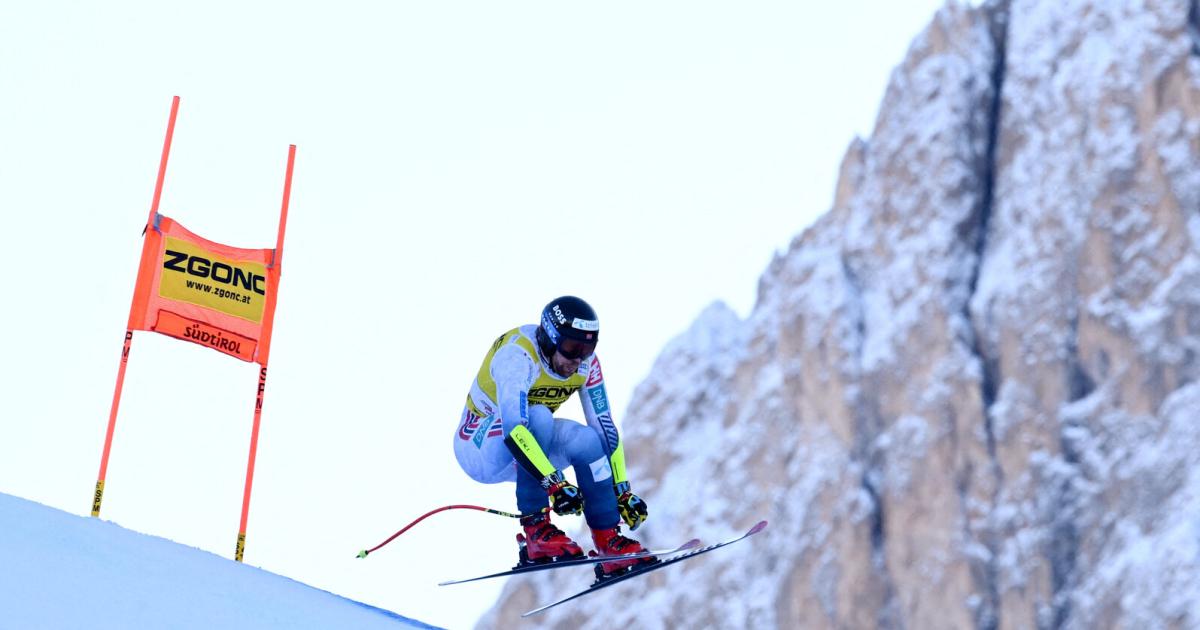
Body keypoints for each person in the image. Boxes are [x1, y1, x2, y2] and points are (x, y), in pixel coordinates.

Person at [453, 295, 652, 577]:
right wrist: (554, 484)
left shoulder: (586, 365)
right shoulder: (518, 356)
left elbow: (604, 426)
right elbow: (515, 429)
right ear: (548, 338)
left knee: (588, 441)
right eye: (571, 348)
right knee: (539, 416)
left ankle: (608, 543)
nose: (577, 360)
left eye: (587, 349)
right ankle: (536, 531)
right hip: (480, 447)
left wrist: (622, 489)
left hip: (531, 451)